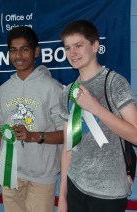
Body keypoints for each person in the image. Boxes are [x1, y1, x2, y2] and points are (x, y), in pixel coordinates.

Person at [57, 20, 137, 212]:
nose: (72, 53)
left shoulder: (114, 83)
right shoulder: (67, 92)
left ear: (95, 46)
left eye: (78, 46)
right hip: (76, 185)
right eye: (68, 48)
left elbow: (135, 136)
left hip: (109, 191)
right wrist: (62, 197)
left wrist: (95, 108)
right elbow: (68, 147)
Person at [0, 26, 64, 212]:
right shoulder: (3, 90)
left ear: (36, 51)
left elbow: (67, 134)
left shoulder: (53, 88)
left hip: (42, 175)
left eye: (24, 49)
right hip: (10, 173)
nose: (18, 55)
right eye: (13, 50)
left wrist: (34, 136)